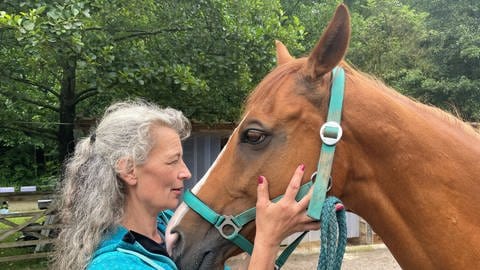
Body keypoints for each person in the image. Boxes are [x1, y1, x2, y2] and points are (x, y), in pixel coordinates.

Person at [52, 100, 319, 270]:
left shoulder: (170, 230)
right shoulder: (116, 265)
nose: (186, 172)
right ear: (129, 170)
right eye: (173, 161)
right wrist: (268, 242)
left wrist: (270, 228)